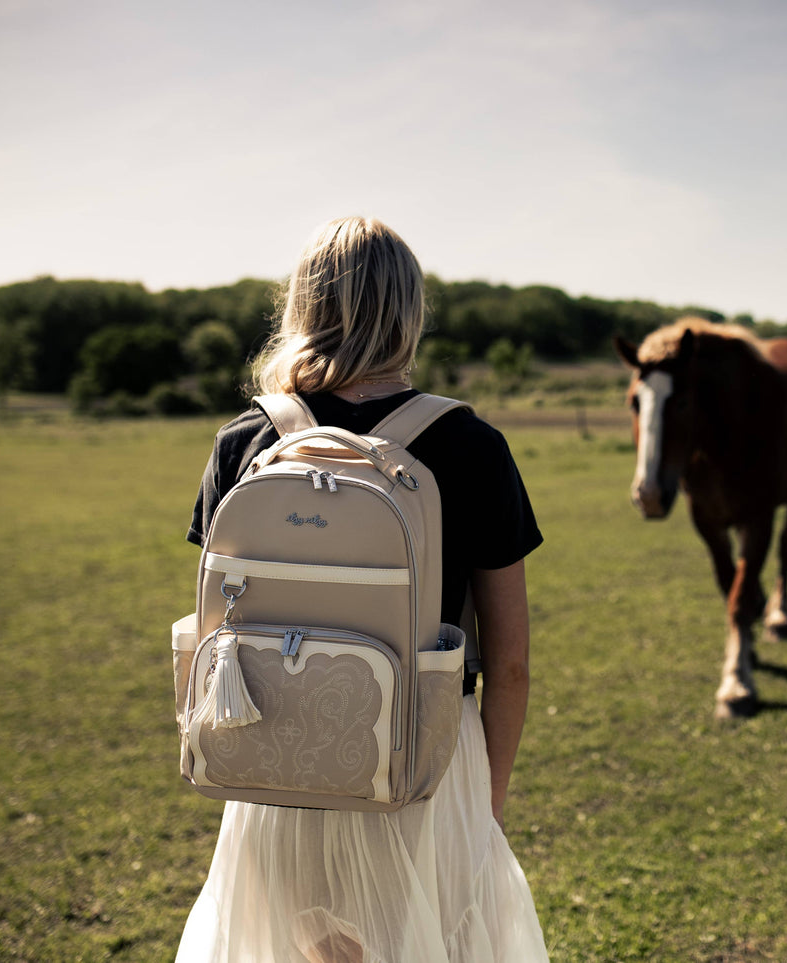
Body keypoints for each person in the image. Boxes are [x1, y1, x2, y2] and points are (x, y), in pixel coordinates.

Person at [176, 216, 549, 963]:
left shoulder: (244, 441)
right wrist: (489, 799)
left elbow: (215, 622)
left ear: (302, 308)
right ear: (409, 312)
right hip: (421, 761)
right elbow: (507, 660)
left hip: (274, 762)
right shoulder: (469, 444)